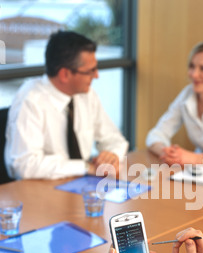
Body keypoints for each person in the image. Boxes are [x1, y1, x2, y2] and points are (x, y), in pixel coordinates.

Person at [4, 30, 129, 180]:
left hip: (79, 184)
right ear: (64, 74)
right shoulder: (30, 100)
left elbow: (114, 139)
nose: (96, 76)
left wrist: (112, 155)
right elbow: (24, 165)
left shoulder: (87, 95)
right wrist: (84, 167)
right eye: (90, 71)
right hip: (38, 191)